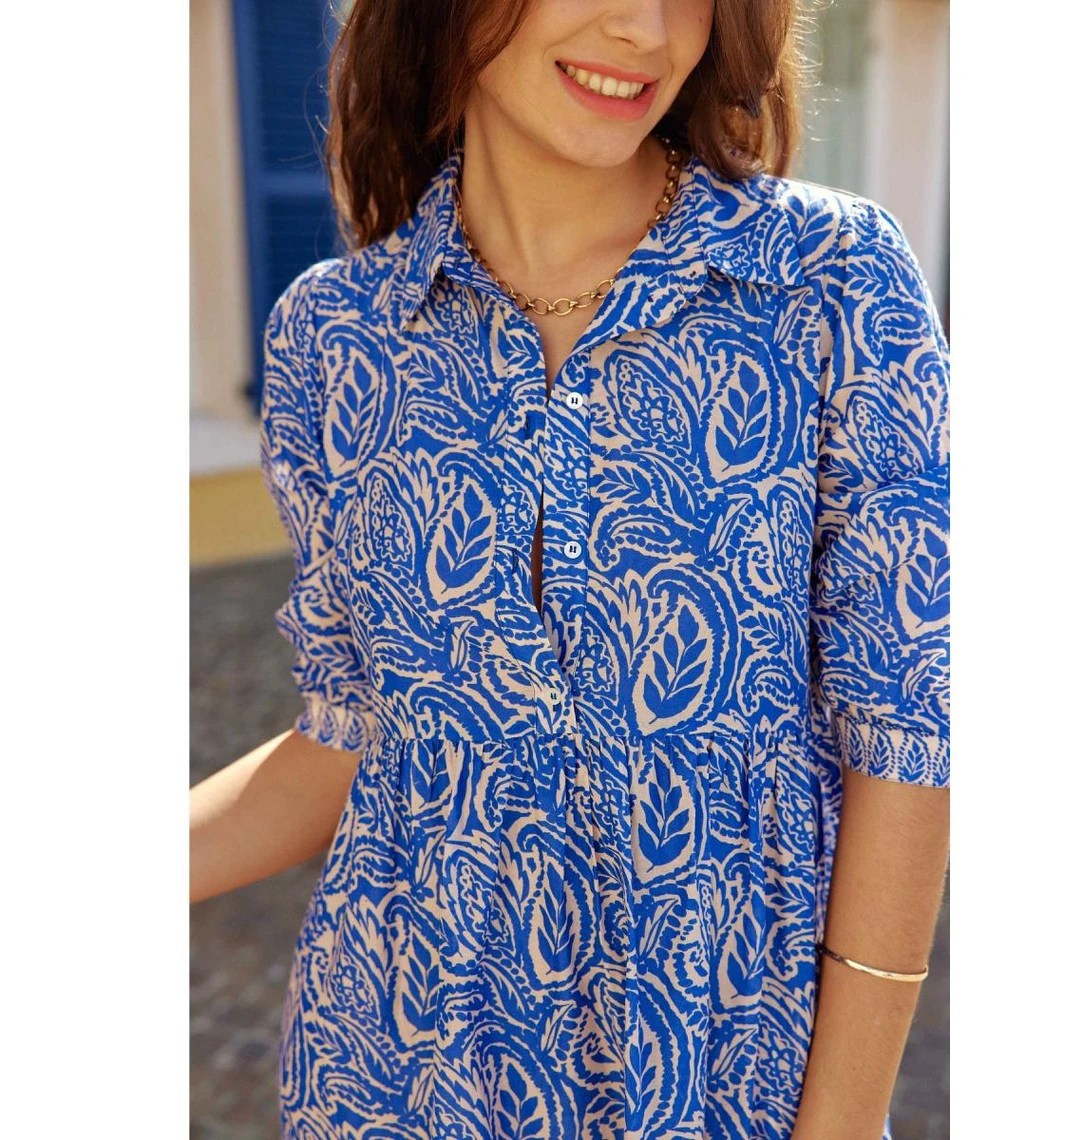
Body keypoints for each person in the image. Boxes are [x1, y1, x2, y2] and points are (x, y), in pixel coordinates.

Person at [190, 1, 951, 1137]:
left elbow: (908, 735)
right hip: (398, 1069)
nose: (645, 29)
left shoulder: (829, 284)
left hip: (724, 1072)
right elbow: (359, 733)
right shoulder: (334, 338)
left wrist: (841, 1123)